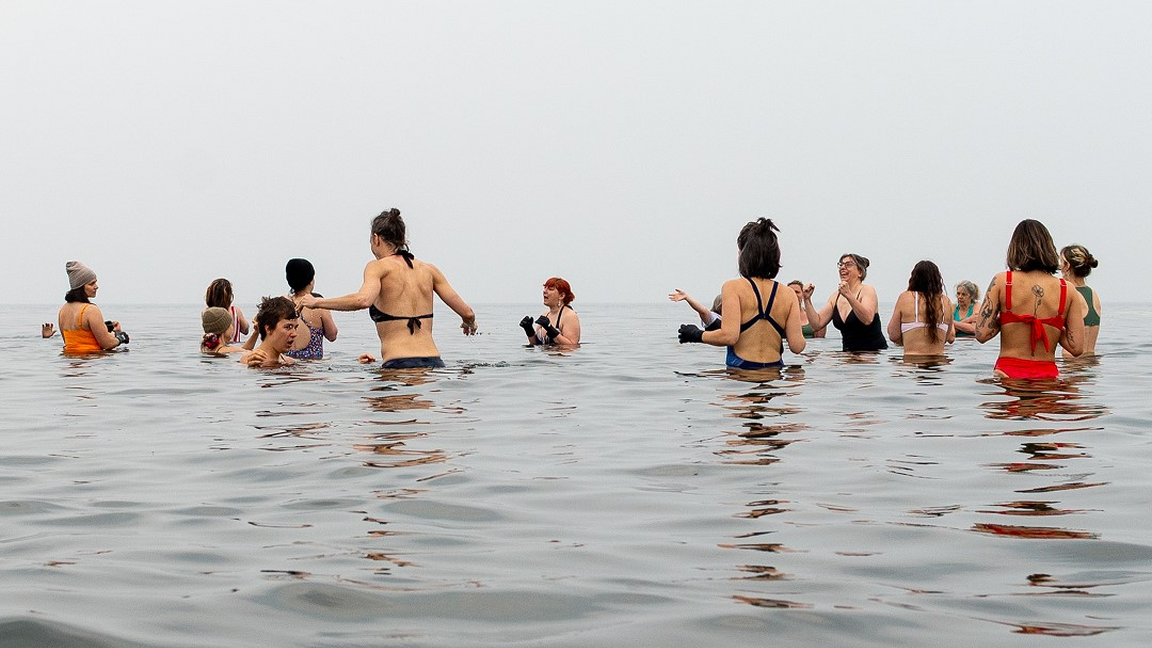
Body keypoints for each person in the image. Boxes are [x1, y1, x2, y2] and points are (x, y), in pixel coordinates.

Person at [299, 208, 477, 368]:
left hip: (399, 364)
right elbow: (468, 313)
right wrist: (469, 323)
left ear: (376, 238)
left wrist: (317, 302)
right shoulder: (429, 270)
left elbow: (363, 300)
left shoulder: (378, 267)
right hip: (434, 364)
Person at [677, 218, 805, 368]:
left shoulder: (733, 287)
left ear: (745, 254)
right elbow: (797, 346)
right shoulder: (788, 294)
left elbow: (729, 336)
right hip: (775, 372)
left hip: (741, 372)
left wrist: (695, 334)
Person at [975, 219, 1085, 379]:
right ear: (1049, 247)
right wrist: (1052, 325)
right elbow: (1076, 348)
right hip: (1047, 375)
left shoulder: (1002, 281)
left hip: (1007, 372)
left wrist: (1007, 320)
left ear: (1015, 248)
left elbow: (981, 334)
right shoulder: (1067, 289)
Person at [802, 253, 887, 352]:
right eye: (841, 264)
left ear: (860, 272)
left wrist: (849, 295)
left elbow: (867, 319)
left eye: (848, 264)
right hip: (848, 354)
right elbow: (816, 325)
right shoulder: (835, 296)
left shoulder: (868, 291)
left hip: (872, 354)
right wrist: (807, 299)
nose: (843, 268)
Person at [57, 261, 129, 355]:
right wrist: (121, 337)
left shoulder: (63, 310)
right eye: (92, 284)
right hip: (91, 363)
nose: (96, 287)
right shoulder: (91, 310)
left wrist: (106, 327)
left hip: (69, 362)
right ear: (80, 287)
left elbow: (77, 338)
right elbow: (107, 344)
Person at [886, 260, 955, 358]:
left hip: (912, 363)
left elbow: (893, 335)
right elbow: (950, 337)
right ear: (937, 279)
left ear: (914, 278)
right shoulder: (946, 302)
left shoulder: (906, 298)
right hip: (939, 365)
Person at [283, 258, 338, 360]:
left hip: (285, 362)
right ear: (310, 281)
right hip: (312, 368)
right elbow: (332, 335)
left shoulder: (280, 303)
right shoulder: (318, 304)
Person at [1060, 244, 1100, 357]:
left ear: (1067, 266)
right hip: (1091, 361)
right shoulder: (1093, 294)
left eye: (1061, 263)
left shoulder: (1069, 294)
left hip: (1071, 363)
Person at [520, 277, 582, 346]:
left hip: (560, 356)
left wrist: (550, 329)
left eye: (550, 289)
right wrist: (529, 330)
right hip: (544, 356)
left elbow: (572, 345)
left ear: (561, 296)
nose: (544, 291)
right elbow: (535, 343)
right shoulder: (545, 314)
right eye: (545, 288)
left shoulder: (569, 315)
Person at [243, 296, 298, 367]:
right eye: (288, 327)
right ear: (269, 329)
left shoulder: (290, 362)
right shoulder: (248, 361)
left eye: (295, 327)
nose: (294, 334)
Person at [205, 278, 249, 343]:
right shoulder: (235, 311)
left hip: (215, 349)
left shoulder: (208, 314)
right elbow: (245, 330)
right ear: (229, 295)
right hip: (235, 350)